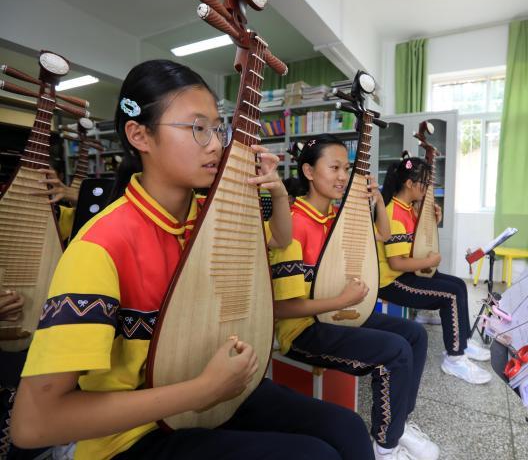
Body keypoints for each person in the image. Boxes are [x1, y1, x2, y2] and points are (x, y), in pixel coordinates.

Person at [10, 59, 371, 460]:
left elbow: (280, 239)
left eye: (217, 128)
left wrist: (278, 192)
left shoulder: (214, 216)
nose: (217, 144)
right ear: (139, 135)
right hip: (134, 433)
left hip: (216, 390)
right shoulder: (100, 246)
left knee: (346, 428)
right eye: (197, 128)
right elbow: (33, 423)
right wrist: (202, 390)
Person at [271, 134, 438, 460]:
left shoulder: (336, 218)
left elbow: (384, 235)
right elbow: (285, 307)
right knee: (394, 352)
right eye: (334, 167)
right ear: (308, 171)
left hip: (338, 311)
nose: (343, 176)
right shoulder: (292, 224)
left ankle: (399, 424)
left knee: (415, 335)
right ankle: (385, 447)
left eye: (346, 168)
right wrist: (342, 301)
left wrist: (377, 199)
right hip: (303, 329)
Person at [377, 153, 492, 385]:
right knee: (449, 295)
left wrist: (432, 220)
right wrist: (429, 262)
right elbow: (396, 263)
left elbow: (418, 242)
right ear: (409, 183)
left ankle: (463, 343)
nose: (428, 188)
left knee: (458, 284)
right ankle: (454, 358)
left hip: (408, 273)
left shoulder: (408, 208)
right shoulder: (393, 213)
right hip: (392, 281)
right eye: (425, 182)